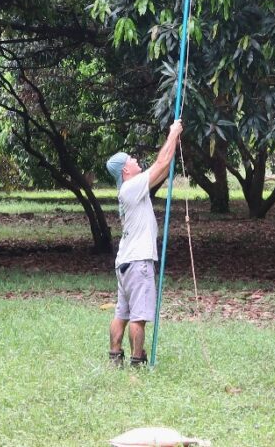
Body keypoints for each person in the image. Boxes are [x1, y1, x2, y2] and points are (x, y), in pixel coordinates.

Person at [105, 119, 182, 367]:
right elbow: (161, 164)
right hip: (139, 263)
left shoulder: (129, 190)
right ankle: (138, 360)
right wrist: (173, 132)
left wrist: (173, 142)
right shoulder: (131, 187)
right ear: (124, 170)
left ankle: (115, 356)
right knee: (139, 317)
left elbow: (163, 165)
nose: (136, 160)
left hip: (125, 263)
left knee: (122, 313)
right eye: (131, 160)